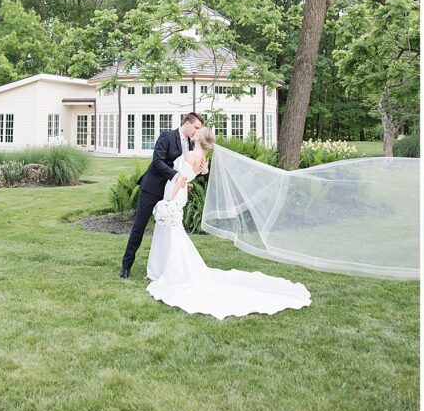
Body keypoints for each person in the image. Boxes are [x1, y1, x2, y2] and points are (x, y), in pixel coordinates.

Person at [145, 126, 311, 319]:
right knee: (173, 231)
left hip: (174, 193)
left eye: (198, 132)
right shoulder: (203, 159)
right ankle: (166, 267)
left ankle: (171, 270)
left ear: (199, 139)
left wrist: (170, 202)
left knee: (172, 231)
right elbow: (191, 176)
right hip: (181, 192)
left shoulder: (191, 155)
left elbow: (181, 179)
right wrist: (184, 186)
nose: (195, 133)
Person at [120, 111, 204, 279]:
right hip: (152, 189)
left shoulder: (191, 144)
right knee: (139, 227)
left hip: (170, 194)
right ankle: (126, 266)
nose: (197, 131)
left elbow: (187, 168)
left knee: (168, 229)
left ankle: (166, 268)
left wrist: (191, 177)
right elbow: (157, 162)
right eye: (195, 127)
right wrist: (177, 177)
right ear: (186, 123)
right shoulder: (166, 137)